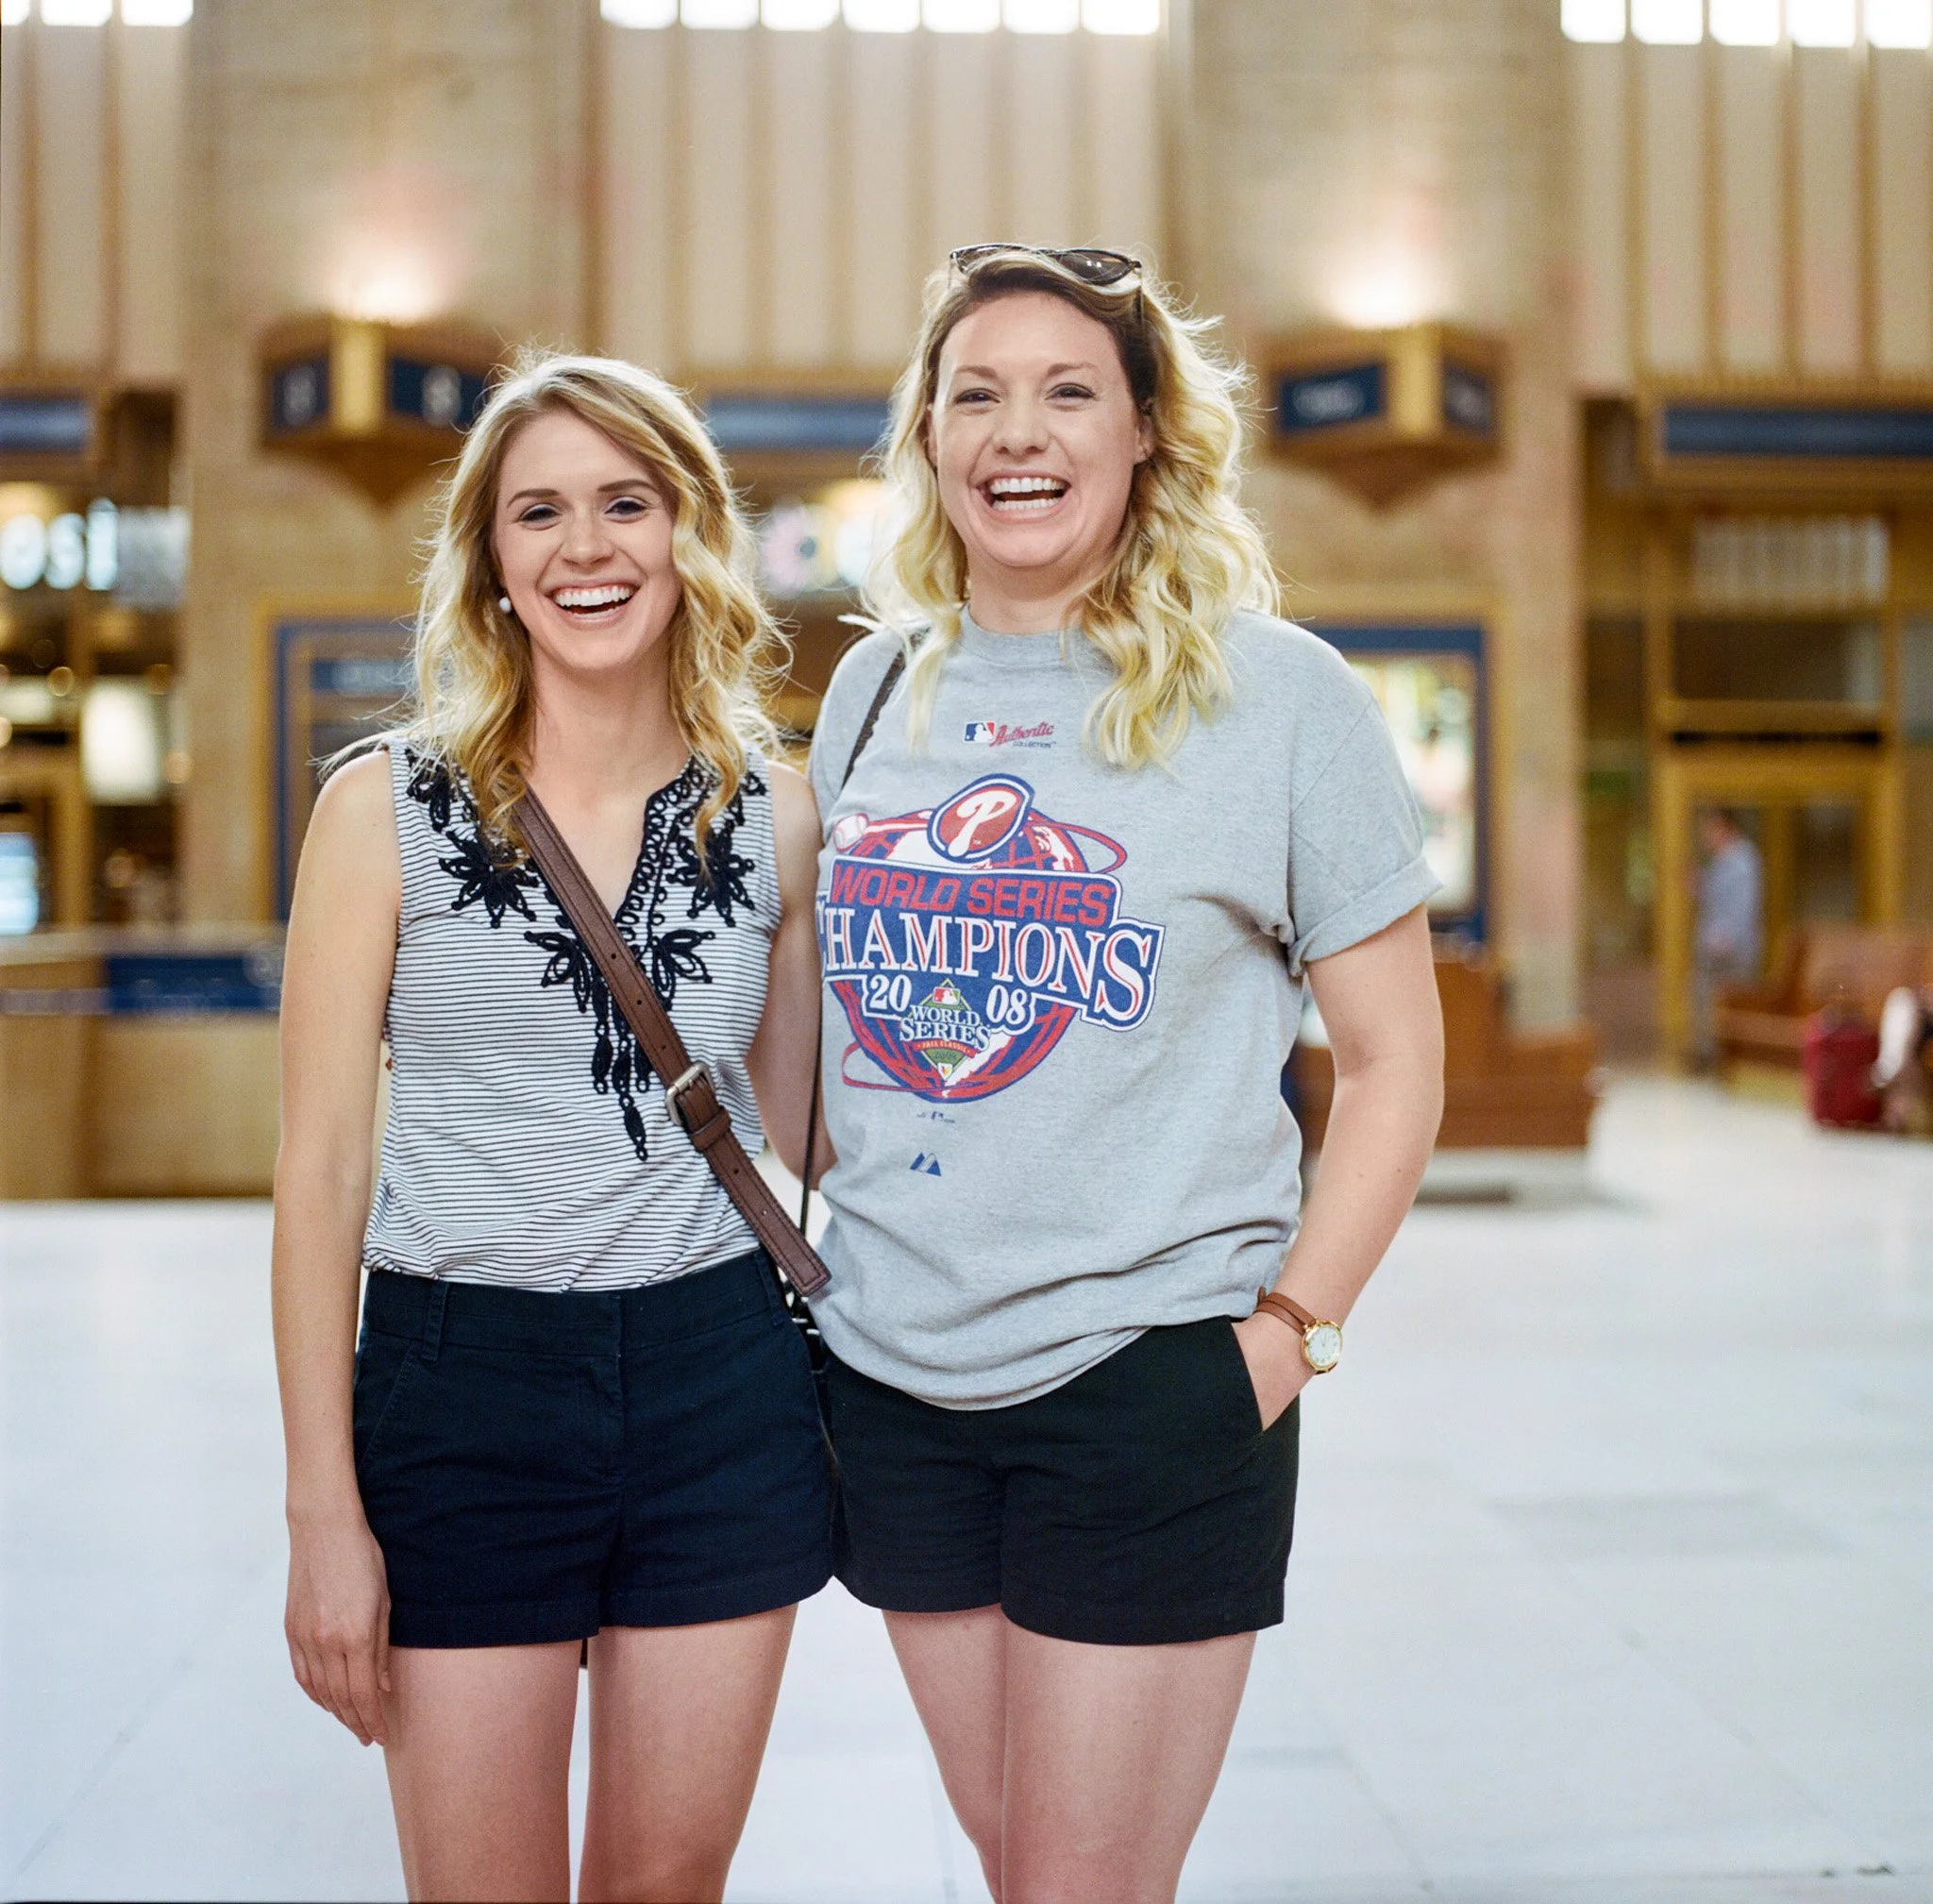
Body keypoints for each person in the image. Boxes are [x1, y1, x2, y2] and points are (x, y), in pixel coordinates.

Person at [805, 244, 1447, 1903]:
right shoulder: (874, 688)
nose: (1017, 431)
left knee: (1074, 1883)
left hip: (1149, 1377)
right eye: (975, 393)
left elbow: (1394, 1065)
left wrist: (1286, 1337)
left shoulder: (1277, 696)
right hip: (892, 1378)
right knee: (1019, 1862)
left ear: (1147, 428)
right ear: (929, 437)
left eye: (1068, 391)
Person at [271, 352, 831, 1903]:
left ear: (688, 532)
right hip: (463, 1385)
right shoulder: (379, 810)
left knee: (667, 1883)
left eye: (625, 503)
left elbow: (804, 1130)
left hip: (721, 1377)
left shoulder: (775, 814)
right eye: (540, 512)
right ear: (492, 561)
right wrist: (322, 1509)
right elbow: (320, 1173)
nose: (586, 546)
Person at [1692, 807, 1762, 1068]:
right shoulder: (1720, 862)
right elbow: (1716, 901)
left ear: (1724, 828)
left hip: (1732, 951)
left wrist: (1725, 939)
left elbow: (1742, 908)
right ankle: (1710, 1054)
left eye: (1709, 830)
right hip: (1713, 949)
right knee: (1705, 1000)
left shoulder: (1742, 862)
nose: (1705, 837)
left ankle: (1731, 1058)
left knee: (1733, 1004)